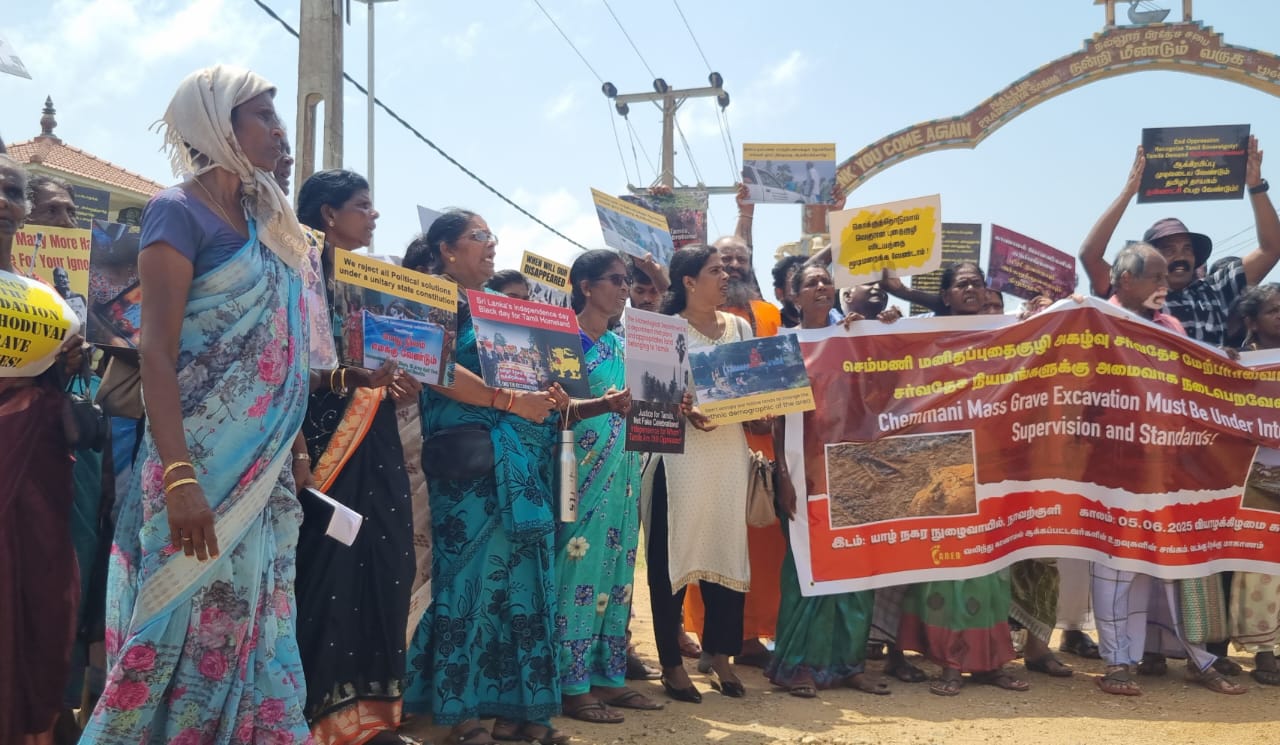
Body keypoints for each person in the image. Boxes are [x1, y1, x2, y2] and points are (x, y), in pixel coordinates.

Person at [82, 65, 317, 742]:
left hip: (264, 464)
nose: (279, 131)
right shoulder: (176, 211)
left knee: (258, 617)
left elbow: (285, 344)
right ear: (217, 125)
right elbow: (157, 352)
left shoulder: (271, 222)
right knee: (180, 618)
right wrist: (180, 478)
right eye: (263, 115)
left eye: (276, 115)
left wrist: (295, 442)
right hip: (196, 463)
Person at [401, 210, 569, 745]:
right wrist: (511, 400)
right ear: (447, 250)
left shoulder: (501, 306)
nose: (491, 245)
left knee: (525, 580)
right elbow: (434, 366)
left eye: (491, 236)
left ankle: (523, 708)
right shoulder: (431, 298)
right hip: (470, 465)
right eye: (479, 237)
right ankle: (461, 712)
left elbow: (540, 370)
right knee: (469, 581)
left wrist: (551, 391)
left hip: (523, 460)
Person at [295, 169, 418, 744]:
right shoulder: (296, 276)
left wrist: (401, 383)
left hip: (376, 434)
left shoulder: (380, 283)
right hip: (320, 439)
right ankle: (318, 720)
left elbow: (400, 358)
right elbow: (287, 361)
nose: (374, 216)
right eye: (362, 206)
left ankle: (373, 720)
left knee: (386, 563)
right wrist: (351, 378)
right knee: (327, 570)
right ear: (328, 214)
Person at [1090, 242, 1245, 696]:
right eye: (1155, 278)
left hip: (1168, 466)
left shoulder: (1171, 325)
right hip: (1114, 468)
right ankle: (1118, 664)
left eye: (1165, 278)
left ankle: (1198, 658)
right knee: (1117, 566)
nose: (1165, 285)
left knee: (1179, 563)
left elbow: (1190, 381)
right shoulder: (1095, 320)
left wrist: (1220, 363)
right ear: (1125, 280)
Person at [896, 262, 1030, 697]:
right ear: (946, 296)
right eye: (962, 284)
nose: (972, 288)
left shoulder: (1007, 333)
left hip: (993, 467)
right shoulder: (926, 337)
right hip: (947, 468)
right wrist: (880, 324)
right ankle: (951, 664)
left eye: (978, 282)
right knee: (949, 569)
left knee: (991, 570)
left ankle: (990, 663)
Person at [765, 263, 892, 699]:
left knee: (856, 568)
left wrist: (886, 330)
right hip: (804, 474)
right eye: (810, 283)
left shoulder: (852, 339)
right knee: (806, 569)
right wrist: (783, 476)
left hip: (855, 471)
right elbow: (778, 421)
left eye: (825, 280)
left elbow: (884, 388)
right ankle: (798, 665)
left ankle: (849, 665)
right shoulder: (785, 345)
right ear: (794, 296)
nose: (821, 286)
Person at [554, 250, 663, 724]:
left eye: (627, 280)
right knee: (577, 572)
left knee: (617, 574)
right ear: (585, 286)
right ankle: (570, 683)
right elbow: (547, 407)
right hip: (577, 476)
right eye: (615, 280)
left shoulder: (624, 347)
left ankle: (607, 676)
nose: (624, 289)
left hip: (623, 477)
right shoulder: (561, 341)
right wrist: (602, 404)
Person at [0, 154, 86, 745]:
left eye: (13, 192)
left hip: (34, 474)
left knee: (43, 600)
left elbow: (49, 388)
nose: (3, 203)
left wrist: (67, 366)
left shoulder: (45, 300)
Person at [645, 245, 752, 703]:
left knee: (727, 550)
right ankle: (671, 665)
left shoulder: (740, 327)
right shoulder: (663, 331)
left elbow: (753, 388)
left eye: (726, 269)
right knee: (671, 556)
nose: (726, 276)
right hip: (677, 459)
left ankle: (721, 656)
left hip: (728, 455)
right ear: (689, 281)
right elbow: (649, 398)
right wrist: (684, 410)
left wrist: (764, 404)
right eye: (715, 270)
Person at [1079, 139, 1280, 346]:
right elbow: (1090, 256)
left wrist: (1256, 186)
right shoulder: (1133, 291)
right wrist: (1127, 192)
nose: (1180, 256)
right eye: (1169, 250)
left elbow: (1271, 249)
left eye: (1187, 249)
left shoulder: (1215, 290)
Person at [1230, 283, 1280, 685]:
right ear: (1251, 321)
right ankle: (1265, 653)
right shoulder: (1236, 364)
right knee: (1261, 567)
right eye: (1273, 310)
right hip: (1254, 481)